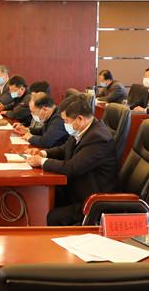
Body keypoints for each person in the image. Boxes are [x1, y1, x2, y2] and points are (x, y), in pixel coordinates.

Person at [26, 95, 118, 225]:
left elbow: (71, 168)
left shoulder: (98, 138)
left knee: (53, 217)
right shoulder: (83, 129)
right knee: (43, 194)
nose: (65, 124)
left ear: (79, 119)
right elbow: (65, 149)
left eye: (66, 121)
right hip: (77, 189)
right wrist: (43, 153)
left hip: (93, 200)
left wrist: (42, 162)